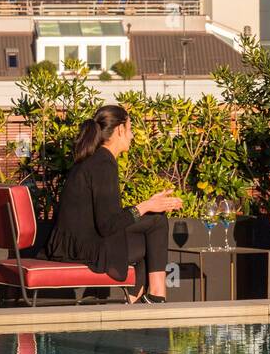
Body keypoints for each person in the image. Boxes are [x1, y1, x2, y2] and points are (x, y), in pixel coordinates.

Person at [45, 104, 182, 304]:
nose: (133, 135)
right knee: (156, 225)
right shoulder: (103, 164)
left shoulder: (95, 158)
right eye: (130, 129)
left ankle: (145, 298)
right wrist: (146, 205)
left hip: (75, 242)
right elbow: (108, 224)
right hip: (82, 249)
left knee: (154, 223)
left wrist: (150, 205)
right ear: (119, 130)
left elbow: (107, 219)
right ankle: (154, 297)